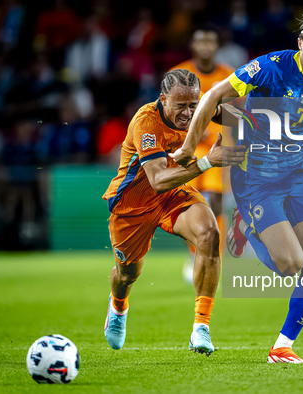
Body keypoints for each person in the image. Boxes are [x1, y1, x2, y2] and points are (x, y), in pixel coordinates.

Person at [170, 9, 303, 363]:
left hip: (298, 170)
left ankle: (282, 346)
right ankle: (244, 224)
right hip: (255, 175)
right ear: (299, 43)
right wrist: (187, 149)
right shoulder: (270, 67)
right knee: (290, 263)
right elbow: (211, 99)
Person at [102, 69, 245, 355]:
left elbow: (237, 117)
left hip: (173, 194)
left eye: (194, 105)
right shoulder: (146, 122)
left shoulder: (198, 108)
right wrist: (207, 162)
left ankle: (200, 328)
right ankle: (118, 307)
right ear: (163, 99)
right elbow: (156, 181)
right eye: (181, 106)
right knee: (128, 273)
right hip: (133, 203)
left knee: (209, 233)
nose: (189, 113)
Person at [170, 27, 235, 284]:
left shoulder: (228, 75)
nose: (206, 45)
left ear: (217, 45)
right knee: (187, 204)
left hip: (219, 146)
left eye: (211, 40)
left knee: (216, 202)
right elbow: (169, 111)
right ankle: (194, 254)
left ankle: (214, 259)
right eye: (201, 40)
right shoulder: (179, 74)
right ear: (193, 45)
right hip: (189, 146)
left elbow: (240, 111)